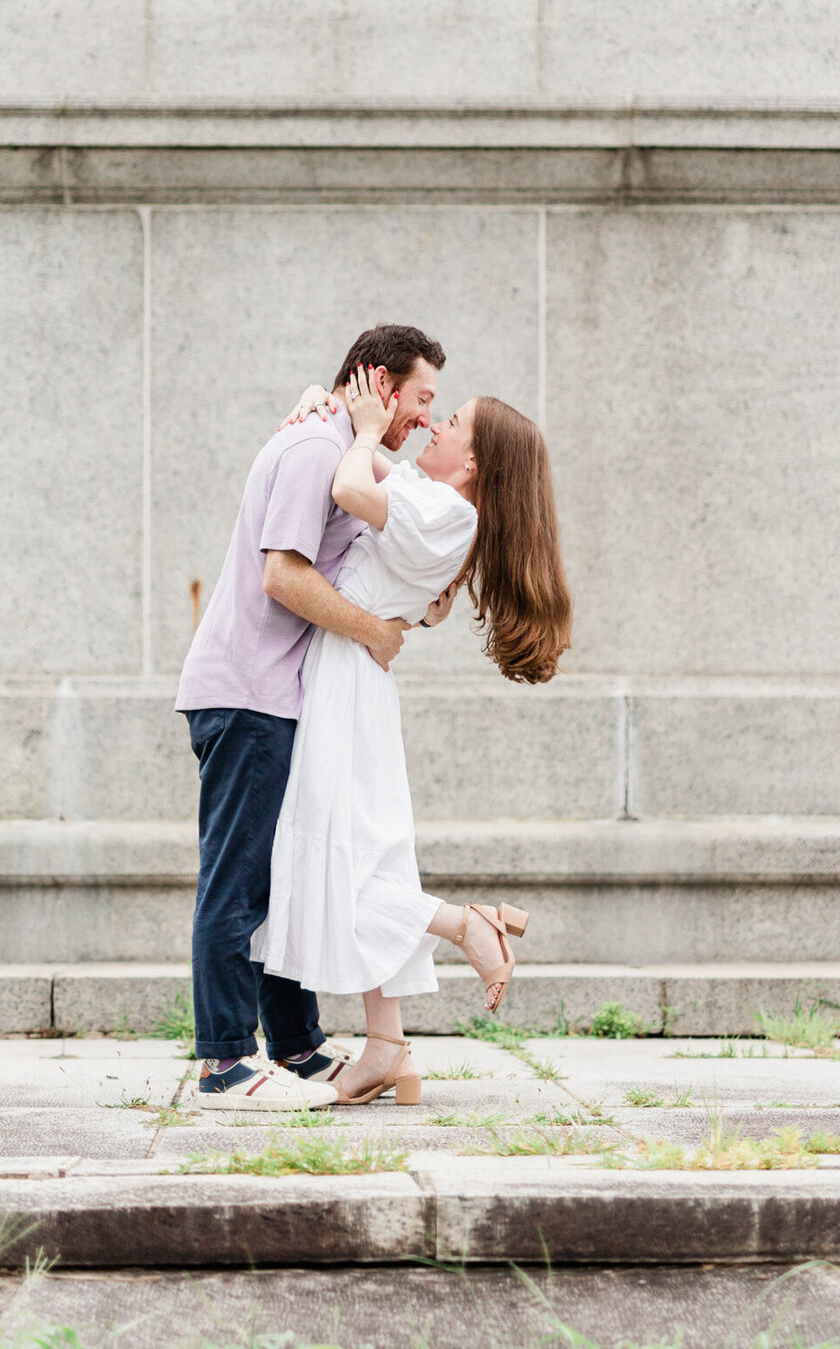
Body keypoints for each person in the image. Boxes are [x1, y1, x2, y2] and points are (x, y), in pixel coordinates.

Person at [252, 365, 572, 1106]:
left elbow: (348, 487)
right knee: (366, 857)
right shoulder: (439, 504)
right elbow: (367, 471)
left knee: (336, 865)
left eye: (450, 421)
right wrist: (324, 403)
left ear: (474, 459)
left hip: (345, 680)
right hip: (355, 676)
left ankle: (465, 924)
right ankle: (387, 1045)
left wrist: (364, 430)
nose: (433, 423)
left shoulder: (447, 512)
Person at [175, 324, 447, 1111]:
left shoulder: (340, 447)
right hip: (248, 693)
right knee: (239, 882)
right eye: (421, 398)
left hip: (280, 696)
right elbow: (283, 577)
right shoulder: (312, 450)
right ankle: (224, 1063)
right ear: (380, 384)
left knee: (280, 875)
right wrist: (374, 633)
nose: (426, 418)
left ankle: (294, 1046)